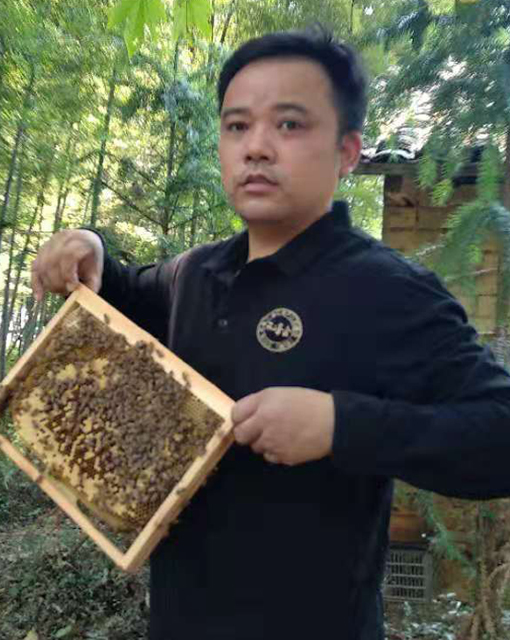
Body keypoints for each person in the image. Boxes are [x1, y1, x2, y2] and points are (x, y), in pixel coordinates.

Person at [31, 26, 510, 640]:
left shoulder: (389, 291)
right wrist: (90, 245)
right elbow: (124, 291)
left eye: (289, 124)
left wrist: (339, 425)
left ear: (347, 152)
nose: (256, 147)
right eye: (237, 126)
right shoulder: (196, 273)